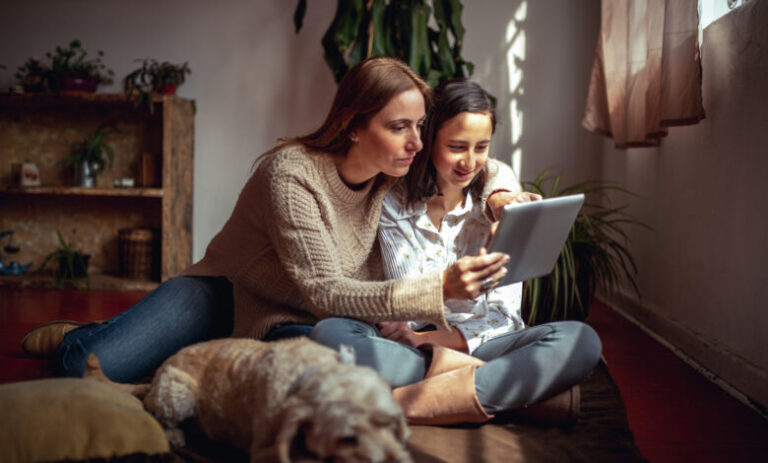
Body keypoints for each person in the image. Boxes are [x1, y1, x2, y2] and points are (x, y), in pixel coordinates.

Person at [22, 57, 520, 384]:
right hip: (222, 293)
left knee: (335, 377)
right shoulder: (293, 175)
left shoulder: (396, 168)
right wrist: (442, 288)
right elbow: (325, 289)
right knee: (85, 369)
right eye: (398, 128)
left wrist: (502, 193)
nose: (415, 142)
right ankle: (80, 335)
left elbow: (473, 158)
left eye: (418, 127)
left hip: (297, 321)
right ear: (352, 126)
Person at [310, 79, 602, 425]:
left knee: (581, 341)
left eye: (482, 147)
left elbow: (502, 317)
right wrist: (406, 334)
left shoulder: (501, 208)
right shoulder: (388, 203)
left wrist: (422, 338)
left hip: (477, 346)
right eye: (456, 146)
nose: (470, 161)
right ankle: (509, 394)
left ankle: (400, 405)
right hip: (402, 350)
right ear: (429, 139)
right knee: (331, 336)